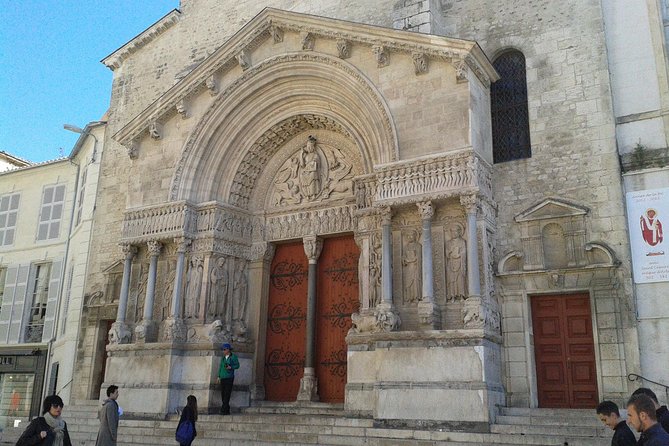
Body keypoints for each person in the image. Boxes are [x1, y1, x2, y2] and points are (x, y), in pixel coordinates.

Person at [217, 343, 239, 415]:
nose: (223, 351)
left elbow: (237, 365)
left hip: (229, 377)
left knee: (227, 393)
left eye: (224, 349)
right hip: (223, 377)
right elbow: (220, 367)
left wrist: (231, 367)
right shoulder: (223, 358)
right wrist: (219, 376)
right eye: (223, 350)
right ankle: (226, 408)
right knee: (223, 393)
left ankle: (223, 409)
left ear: (228, 350)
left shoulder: (233, 357)